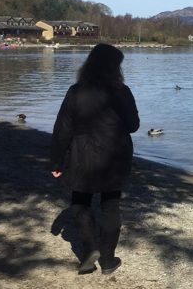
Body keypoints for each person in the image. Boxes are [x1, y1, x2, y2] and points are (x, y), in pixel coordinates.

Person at [51, 43, 140, 275]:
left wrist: (56, 161)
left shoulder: (75, 91)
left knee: (80, 202)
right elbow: (133, 125)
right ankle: (108, 261)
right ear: (114, 67)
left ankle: (90, 249)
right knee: (110, 205)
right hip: (115, 155)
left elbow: (62, 129)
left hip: (82, 154)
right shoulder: (121, 91)